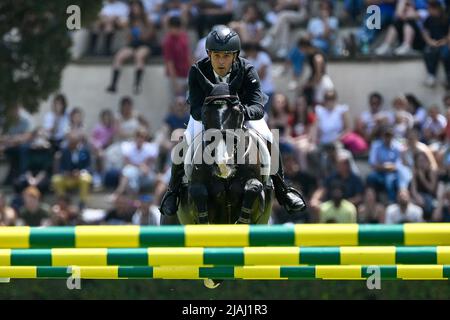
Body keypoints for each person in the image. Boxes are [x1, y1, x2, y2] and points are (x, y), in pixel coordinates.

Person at [159, 26, 306, 217]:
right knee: (184, 141)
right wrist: (213, 114)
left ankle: (282, 190)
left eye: (226, 56)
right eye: (217, 55)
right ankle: (174, 191)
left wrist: (238, 112)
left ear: (235, 56)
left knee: (269, 136)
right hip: (209, 117)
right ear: (209, 54)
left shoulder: (247, 69)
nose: (221, 61)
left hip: (241, 116)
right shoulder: (197, 70)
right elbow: (195, 108)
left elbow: (258, 106)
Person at [106, 0, 158, 94]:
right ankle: (113, 84)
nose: (134, 9)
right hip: (133, 45)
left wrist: (140, 31)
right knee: (119, 56)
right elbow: (129, 38)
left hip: (145, 44)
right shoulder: (130, 21)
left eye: (136, 7)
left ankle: (137, 84)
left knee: (139, 56)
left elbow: (149, 36)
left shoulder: (147, 20)